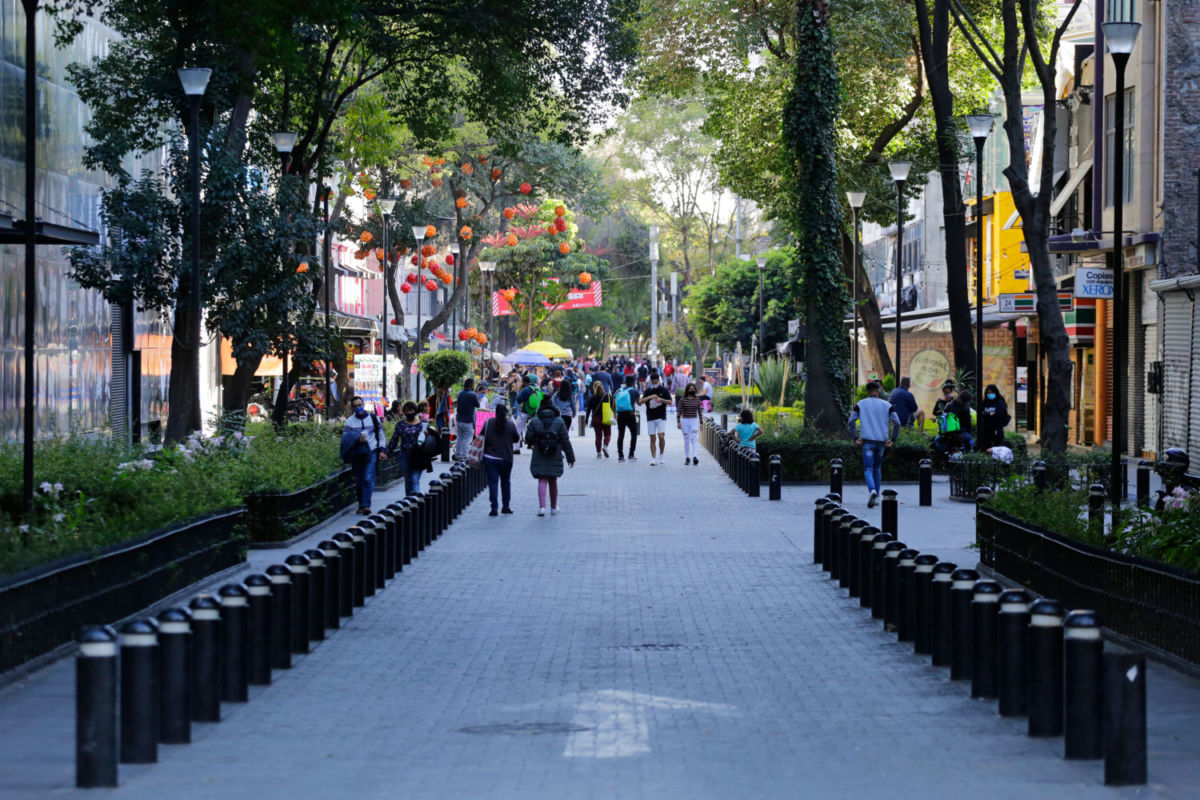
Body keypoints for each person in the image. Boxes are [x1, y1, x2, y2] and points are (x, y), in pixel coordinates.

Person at [848, 380, 901, 508]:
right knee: (877, 468)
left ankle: (872, 490)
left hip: (867, 441)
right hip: (881, 442)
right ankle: (876, 494)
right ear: (879, 391)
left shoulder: (861, 404)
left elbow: (851, 421)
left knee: (868, 468)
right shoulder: (887, 405)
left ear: (867, 392)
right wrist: (892, 439)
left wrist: (855, 437)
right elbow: (897, 423)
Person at [525, 396, 576, 516]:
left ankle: (542, 507)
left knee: (542, 479)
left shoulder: (535, 421)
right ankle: (553, 507)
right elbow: (565, 440)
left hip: (539, 452)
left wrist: (533, 443)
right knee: (553, 480)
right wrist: (570, 457)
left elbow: (528, 438)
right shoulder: (559, 421)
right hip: (555, 452)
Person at [342, 397, 387, 514]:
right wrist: (357, 438)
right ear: (352, 408)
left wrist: (382, 450)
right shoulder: (349, 422)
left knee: (368, 477)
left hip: (371, 451)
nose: (358, 407)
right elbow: (345, 439)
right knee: (359, 480)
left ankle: (366, 505)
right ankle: (361, 504)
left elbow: (381, 435)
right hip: (357, 453)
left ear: (363, 404)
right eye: (355, 406)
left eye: (360, 404)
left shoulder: (374, 419)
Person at [480, 403, 520, 515]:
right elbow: (516, 439)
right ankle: (506, 507)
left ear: (495, 412)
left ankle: (494, 508)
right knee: (506, 482)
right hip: (506, 458)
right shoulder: (511, 424)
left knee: (493, 483)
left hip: (490, 458)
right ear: (506, 413)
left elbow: (481, 435)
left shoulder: (488, 422)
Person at [387, 401, 431, 495]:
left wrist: (427, 434)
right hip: (405, 455)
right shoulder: (400, 424)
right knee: (408, 480)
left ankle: (415, 500)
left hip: (419, 455)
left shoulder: (423, 423)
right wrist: (386, 452)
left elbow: (431, 438)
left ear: (415, 411)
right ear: (404, 412)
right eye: (407, 411)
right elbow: (394, 439)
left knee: (415, 479)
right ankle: (409, 500)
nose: (409, 412)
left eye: (411, 410)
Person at [638, 372, 674, 466]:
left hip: (661, 416)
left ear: (658, 380)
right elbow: (640, 402)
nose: (654, 383)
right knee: (652, 437)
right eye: (652, 381)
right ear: (650, 381)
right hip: (650, 416)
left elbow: (670, 402)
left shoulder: (663, 390)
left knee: (661, 436)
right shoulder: (648, 391)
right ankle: (653, 458)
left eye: (656, 381)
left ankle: (661, 455)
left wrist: (660, 399)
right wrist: (650, 397)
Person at [676, 382, 704, 465]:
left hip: (694, 421)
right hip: (685, 421)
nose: (692, 390)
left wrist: (701, 423)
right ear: (687, 390)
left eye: (693, 389)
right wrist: (678, 422)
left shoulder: (697, 400)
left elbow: (700, 412)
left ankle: (695, 457)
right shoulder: (682, 400)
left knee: (694, 438)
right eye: (690, 389)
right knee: (687, 439)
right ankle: (687, 457)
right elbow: (679, 411)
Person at [584, 380, 614, 458]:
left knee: (598, 436)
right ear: (603, 387)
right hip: (606, 418)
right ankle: (605, 446)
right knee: (607, 434)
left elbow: (588, 410)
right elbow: (612, 407)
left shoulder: (592, 398)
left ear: (594, 388)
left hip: (596, 419)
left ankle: (598, 453)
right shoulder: (608, 396)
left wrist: (586, 421)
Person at [614, 375, 640, 462]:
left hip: (620, 414)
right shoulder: (635, 391)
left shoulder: (618, 390)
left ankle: (620, 456)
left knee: (621, 434)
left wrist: (615, 414)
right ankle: (631, 454)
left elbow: (614, 402)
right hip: (630, 414)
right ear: (633, 382)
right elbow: (639, 402)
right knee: (634, 433)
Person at [976, 384, 1011, 449]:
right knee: (985, 447)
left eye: (992, 392)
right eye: (988, 393)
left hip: (997, 430)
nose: (990, 394)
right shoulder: (985, 403)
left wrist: (988, 415)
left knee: (997, 447)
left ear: (996, 392)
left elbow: (999, 415)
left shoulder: (999, 402)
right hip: (986, 430)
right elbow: (981, 415)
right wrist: (989, 414)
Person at [455, 378, 481, 459]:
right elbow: (478, 405)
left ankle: (458, 455)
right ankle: (465, 457)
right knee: (467, 439)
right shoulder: (473, 394)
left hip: (459, 420)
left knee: (460, 438)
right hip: (468, 421)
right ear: (471, 385)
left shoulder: (460, 393)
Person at [514, 375, 539, 451]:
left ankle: (516, 448)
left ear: (524, 382)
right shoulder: (538, 388)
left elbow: (518, 400)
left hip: (525, 412)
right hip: (535, 412)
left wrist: (519, 390)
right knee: (535, 429)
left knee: (518, 429)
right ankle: (535, 446)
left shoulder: (526, 390)